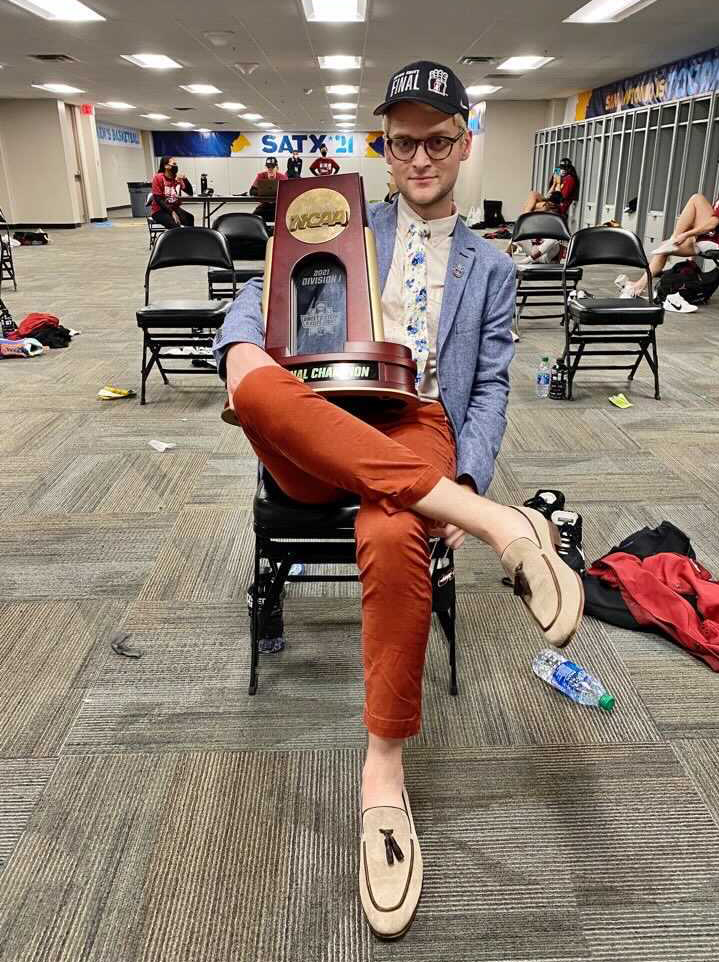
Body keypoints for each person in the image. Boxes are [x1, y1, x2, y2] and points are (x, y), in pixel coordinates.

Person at [211, 60, 583, 940]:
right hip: (319, 416)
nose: (420, 158)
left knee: (392, 532)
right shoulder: (344, 219)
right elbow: (254, 298)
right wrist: (238, 346)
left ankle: (383, 773)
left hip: (416, 422)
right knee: (252, 382)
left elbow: (486, 389)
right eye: (403, 142)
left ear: (463, 143)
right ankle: (499, 529)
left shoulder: (492, 268)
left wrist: (468, 476)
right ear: (384, 147)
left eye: (437, 142)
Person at [619, 146, 719, 296]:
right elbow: (712, 219)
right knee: (664, 248)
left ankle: (673, 240)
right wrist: (688, 235)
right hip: (713, 236)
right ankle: (639, 286)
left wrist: (686, 235)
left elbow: (713, 223)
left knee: (696, 198)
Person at [149, 157, 194, 228]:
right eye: (174, 164)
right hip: (159, 210)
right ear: (166, 166)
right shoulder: (158, 178)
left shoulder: (177, 179)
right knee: (175, 225)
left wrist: (185, 180)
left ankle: (188, 235)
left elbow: (190, 192)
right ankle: (177, 235)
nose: (176, 166)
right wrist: (172, 212)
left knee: (190, 218)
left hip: (174, 208)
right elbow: (158, 199)